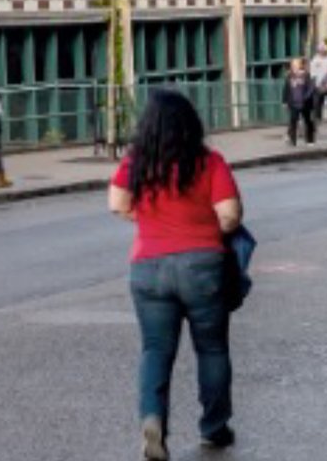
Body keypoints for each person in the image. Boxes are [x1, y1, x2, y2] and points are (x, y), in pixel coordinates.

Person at [109, 89, 244, 458]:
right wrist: (209, 228)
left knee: (155, 349)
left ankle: (153, 419)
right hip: (202, 265)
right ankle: (214, 427)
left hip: (148, 266)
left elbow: (117, 203)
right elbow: (230, 214)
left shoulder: (137, 162)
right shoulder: (209, 162)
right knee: (212, 348)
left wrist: (148, 220)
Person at [282, 58, 317, 147]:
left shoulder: (306, 75)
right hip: (293, 102)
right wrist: (284, 101)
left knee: (308, 120)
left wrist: (306, 97)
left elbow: (311, 88)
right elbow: (286, 89)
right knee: (293, 121)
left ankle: (310, 140)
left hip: (305, 103)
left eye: (296, 65)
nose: (295, 67)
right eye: (293, 65)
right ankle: (293, 140)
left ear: (300, 66)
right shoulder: (289, 76)